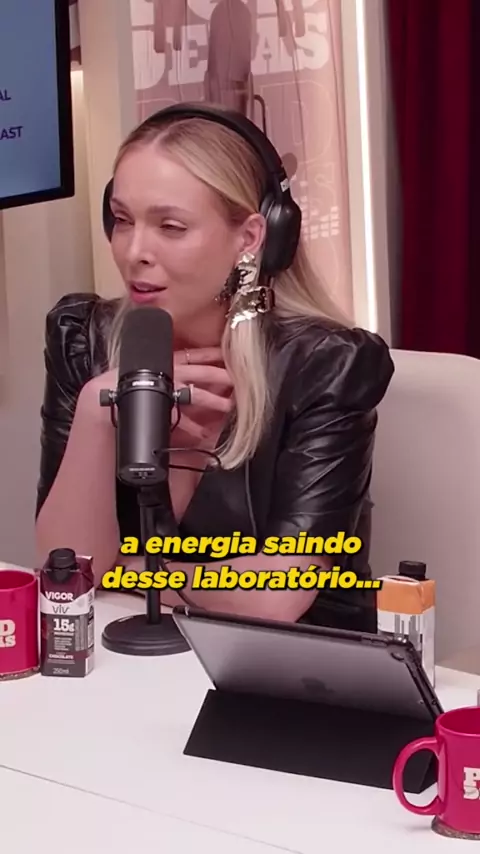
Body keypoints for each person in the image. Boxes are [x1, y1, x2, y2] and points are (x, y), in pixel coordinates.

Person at [34, 102, 394, 631]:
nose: (134, 251)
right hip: (127, 659)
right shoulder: (82, 338)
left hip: (295, 662)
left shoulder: (327, 365)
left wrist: (131, 573)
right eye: (123, 220)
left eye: (171, 227)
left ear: (250, 238)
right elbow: (65, 571)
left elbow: (276, 598)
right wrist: (97, 409)